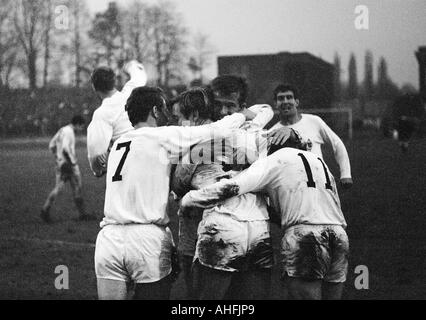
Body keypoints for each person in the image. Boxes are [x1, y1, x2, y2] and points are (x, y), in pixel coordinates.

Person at [94, 86, 252, 300]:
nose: (169, 115)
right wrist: (243, 115)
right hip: (145, 239)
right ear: (155, 111)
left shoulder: (119, 143)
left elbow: (100, 166)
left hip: (108, 239)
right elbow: (215, 131)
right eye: (164, 108)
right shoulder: (162, 136)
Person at [181, 144, 349, 300]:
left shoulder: (274, 160)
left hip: (307, 236)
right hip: (339, 234)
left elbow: (232, 187)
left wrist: (189, 199)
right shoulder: (318, 160)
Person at [267, 84, 353, 189]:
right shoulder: (273, 133)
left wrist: (345, 174)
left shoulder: (314, 121)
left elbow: (337, 144)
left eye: (289, 97)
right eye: (281, 98)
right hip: (293, 189)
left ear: (296, 102)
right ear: (276, 104)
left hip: (322, 185)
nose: (285, 101)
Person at [87, 60, 148, 178]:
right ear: (114, 81)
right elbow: (140, 75)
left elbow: (96, 155)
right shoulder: (131, 93)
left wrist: (97, 170)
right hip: (148, 157)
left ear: (94, 87)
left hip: (127, 169)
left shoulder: (102, 114)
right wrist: (129, 66)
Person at [41, 116, 95, 223]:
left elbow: (51, 145)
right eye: (81, 127)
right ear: (78, 124)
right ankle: (45, 210)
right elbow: (65, 148)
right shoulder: (69, 132)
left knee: (70, 188)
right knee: (74, 187)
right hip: (68, 165)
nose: (81, 129)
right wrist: (72, 162)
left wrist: (58, 159)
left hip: (61, 164)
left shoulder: (63, 130)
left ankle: (46, 209)